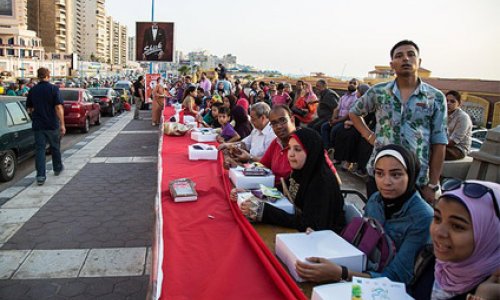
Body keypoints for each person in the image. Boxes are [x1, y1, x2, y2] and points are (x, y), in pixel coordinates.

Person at [296, 144, 433, 285]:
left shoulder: (423, 218)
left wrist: (341, 273)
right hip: (360, 275)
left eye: (396, 174)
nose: (386, 182)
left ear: (411, 175)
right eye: (379, 173)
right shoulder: (375, 200)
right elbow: (363, 244)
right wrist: (324, 239)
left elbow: (397, 277)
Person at [349, 40, 448, 203]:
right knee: (377, 222)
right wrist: (369, 135)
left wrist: (433, 184)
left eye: (411, 55)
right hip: (380, 173)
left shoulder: (435, 97)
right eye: (399, 56)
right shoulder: (379, 92)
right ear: (392, 64)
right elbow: (354, 112)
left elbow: (439, 142)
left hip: (416, 176)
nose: (405, 59)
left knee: (412, 226)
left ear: (419, 62)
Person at [231, 127, 345, 233]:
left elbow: (308, 223)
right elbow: (280, 189)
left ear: (311, 152)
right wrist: (249, 192)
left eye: (297, 149)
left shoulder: (321, 183)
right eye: (289, 148)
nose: (290, 154)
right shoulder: (300, 172)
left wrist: (265, 212)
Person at [410, 179, 499, 300]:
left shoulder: (493, 288)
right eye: (437, 218)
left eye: (457, 226)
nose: (439, 232)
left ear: (491, 235)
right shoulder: (429, 261)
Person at [26, 68, 65, 186]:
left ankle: (41, 176)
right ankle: (57, 168)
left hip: (38, 125)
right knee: (55, 147)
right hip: (52, 124)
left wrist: (36, 115)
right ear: (48, 76)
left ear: (38, 77)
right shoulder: (54, 89)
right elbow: (58, 107)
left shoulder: (33, 90)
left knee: (40, 150)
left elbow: (30, 108)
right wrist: (62, 124)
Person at [330, 83, 371, 170]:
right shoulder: (358, 101)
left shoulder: (368, 104)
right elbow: (351, 114)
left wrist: (350, 123)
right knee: (340, 132)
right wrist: (347, 122)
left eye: (359, 91)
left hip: (361, 127)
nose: (357, 92)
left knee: (351, 137)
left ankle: (349, 162)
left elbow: (365, 119)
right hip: (352, 123)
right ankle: (338, 158)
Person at [321, 78, 359, 151]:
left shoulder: (356, 98)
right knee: (324, 126)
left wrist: (337, 121)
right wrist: (333, 119)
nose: (352, 84)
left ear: (357, 86)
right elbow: (337, 109)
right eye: (350, 82)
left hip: (346, 120)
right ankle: (326, 147)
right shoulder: (344, 96)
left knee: (334, 130)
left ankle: (332, 148)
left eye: (354, 83)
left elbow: (349, 114)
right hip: (338, 118)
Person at [445, 90, 472, 161]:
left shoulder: (463, 117)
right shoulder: (444, 115)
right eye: (446, 101)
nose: (448, 103)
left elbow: (453, 141)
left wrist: (435, 143)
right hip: (445, 146)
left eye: (452, 101)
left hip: (458, 149)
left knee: (431, 152)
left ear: (459, 104)